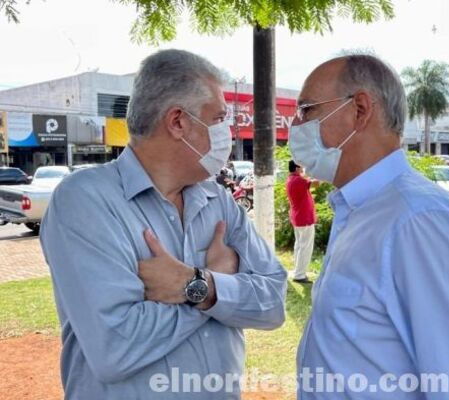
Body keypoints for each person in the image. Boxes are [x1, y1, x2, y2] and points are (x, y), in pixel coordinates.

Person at [40, 49, 287, 400]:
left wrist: (196, 284)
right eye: (218, 119)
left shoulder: (218, 202)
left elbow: (274, 303)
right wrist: (210, 290)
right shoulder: (84, 202)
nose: (227, 133)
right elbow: (116, 348)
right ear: (177, 122)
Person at [290, 54, 449, 399]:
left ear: (360, 109)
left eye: (306, 109)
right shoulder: (360, 209)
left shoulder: (417, 221)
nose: (295, 125)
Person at [286, 159, 318, 283]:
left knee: (299, 246)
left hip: (299, 217)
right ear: (297, 168)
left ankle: (297, 271)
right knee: (305, 247)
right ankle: (300, 275)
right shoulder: (298, 180)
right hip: (304, 218)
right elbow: (316, 184)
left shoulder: (291, 179)